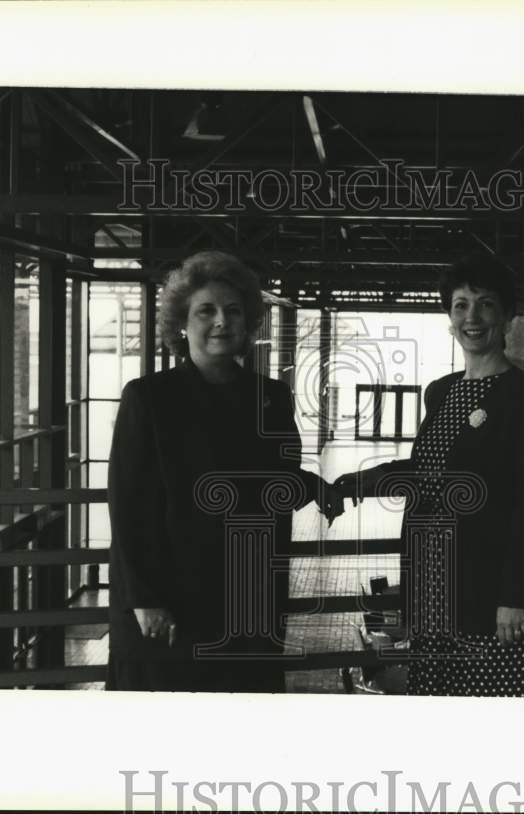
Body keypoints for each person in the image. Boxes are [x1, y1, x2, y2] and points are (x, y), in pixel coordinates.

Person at [105, 250, 337, 692]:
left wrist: (316, 487)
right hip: (172, 602)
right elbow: (129, 507)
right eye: (205, 311)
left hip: (248, 598)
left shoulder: (271, 397)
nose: (221, 322)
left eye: (233, 311)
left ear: (248, 323)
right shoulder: (148, 398)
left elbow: (277, 478)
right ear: (181, 322)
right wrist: (146, 600)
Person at [334, 254, 524, 696]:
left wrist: (514, 596)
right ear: (449, 317)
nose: (471, 318)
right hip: (435, 583)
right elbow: (432, 469)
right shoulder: (441, 391)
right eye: (460, 305)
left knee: (496, 712)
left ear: (507, 314)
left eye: (485, 304)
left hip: (492, 588)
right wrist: (365, 479)